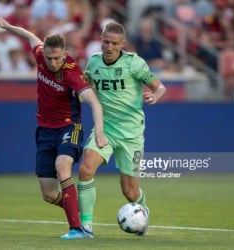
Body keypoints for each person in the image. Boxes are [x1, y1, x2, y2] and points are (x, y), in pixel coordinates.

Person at [0, 15, 108, 239]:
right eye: (49, 58)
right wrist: (7, 26)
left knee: (62, 167)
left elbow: (94, 101)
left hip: (69, 128)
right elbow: (29, 36)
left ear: (64, 54)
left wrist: (100, 131)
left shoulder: (71, 73)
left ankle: (77, 230)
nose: (52, 63)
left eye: (56, 58)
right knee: (48, 194)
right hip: (45, 131)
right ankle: (79, 214)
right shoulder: (40, 55)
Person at [77, 21, 166, 237]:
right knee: (85, 169)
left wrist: (155, 95)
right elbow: (86, 84)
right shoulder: (94, 63)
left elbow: (159, 86)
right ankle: (85, 227)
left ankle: (142, 210)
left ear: (122, 44)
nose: (108, 47)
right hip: (105, 127)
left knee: (129, 191)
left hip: (131, 133)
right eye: (105, 42)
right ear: (101, 41)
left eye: (114, 43)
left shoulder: (134, 64)